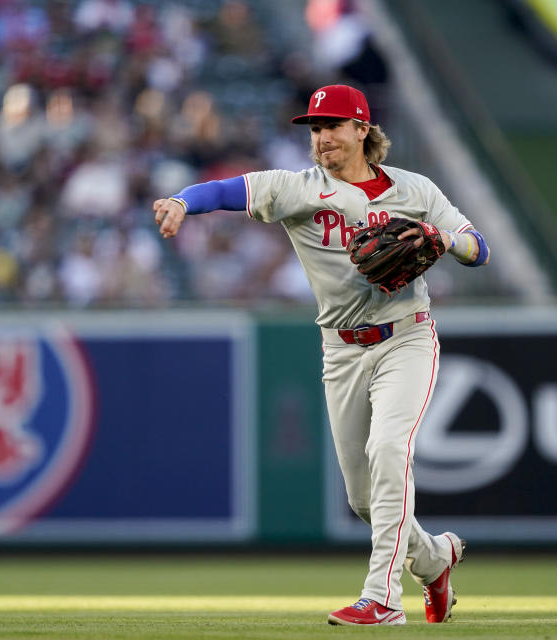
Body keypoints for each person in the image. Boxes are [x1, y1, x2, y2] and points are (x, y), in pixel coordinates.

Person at [153, 84, 489, 626]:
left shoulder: (416, 189)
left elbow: (480, 248)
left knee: (388, 450)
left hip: (406, 336)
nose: (322, 137)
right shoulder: (297, 189)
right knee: (363, 499)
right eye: (315, 128)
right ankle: (436, 559)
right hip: (342, 350)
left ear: (362, 130)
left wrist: (443, 240)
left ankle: (382, 599)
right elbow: (224, 191)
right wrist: (181, 202)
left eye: (333, 125)